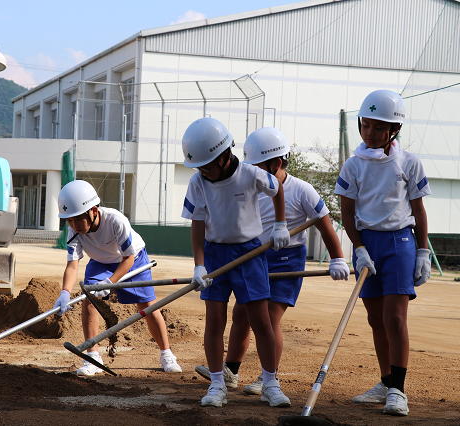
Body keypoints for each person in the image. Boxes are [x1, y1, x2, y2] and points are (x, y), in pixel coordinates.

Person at [194, 127, 350, 401]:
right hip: (254, 257)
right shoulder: (244, 182)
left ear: (275, 164)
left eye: (255, 165)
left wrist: (337, 257)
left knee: (267, 317)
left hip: (286, 260)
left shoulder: (302, 190)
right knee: (241, 315)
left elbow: (324, 225)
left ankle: (270, 378)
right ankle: (230, 371)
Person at [180, 117, 291, 408]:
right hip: (215, 254)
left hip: (250, 254)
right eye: (199, 166)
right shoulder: (198, 182)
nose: (203, 171)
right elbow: (197, 223)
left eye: (207, 165)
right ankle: (218, 383)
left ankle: (270, 382)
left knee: (260, 320)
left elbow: (277, 188)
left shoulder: (250, 174)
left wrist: (280, 224)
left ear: (225, 155)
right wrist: (199, 265)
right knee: (215, 321)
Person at [334, 90, 431, 416]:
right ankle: (386, 382)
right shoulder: (353, 165)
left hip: (399, 244)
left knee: (394, 318)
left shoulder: (409, 163)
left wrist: (422, 251)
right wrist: (358, 249)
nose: (370, 133)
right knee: (375, 319)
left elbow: (418, 211)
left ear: (393, 130)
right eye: (366, 126)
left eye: (378, 128)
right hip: (367, 245)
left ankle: (398, 392)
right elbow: (348, 214)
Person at [53, 180, 182, 376]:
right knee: (89, 298)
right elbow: (72, 264)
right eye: (69, 220)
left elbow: (128, 258)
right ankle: (93, 357)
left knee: (147, 305)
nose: (73, 225)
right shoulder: (74, 231)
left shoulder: (115, 220)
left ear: (93, 211)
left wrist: (111, 282)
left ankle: (166, 354)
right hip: (100, 262)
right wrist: (65, 292)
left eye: (77, 219)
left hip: (133, 260)